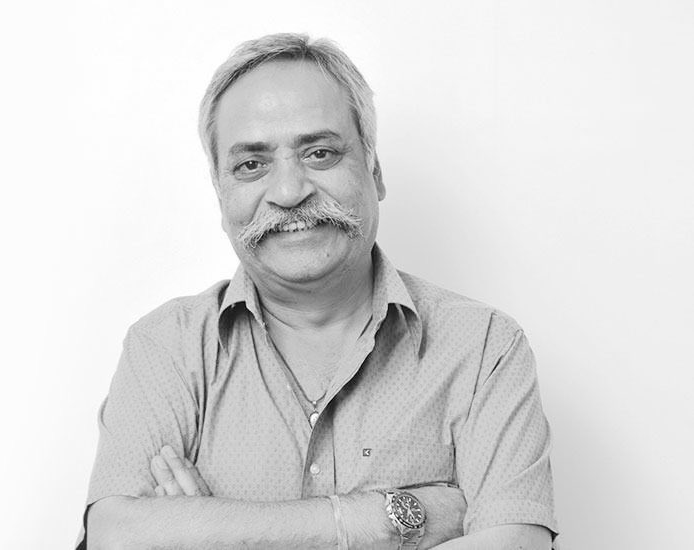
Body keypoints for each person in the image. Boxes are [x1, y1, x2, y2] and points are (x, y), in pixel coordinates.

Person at [78, 33, 558, 549]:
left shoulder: (485, 347)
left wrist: (210, 532)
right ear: (221, 195)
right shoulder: (165, 349)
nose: (289, 192)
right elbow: (118, 539)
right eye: (251, 165)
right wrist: (386, 521)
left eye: (320, 153)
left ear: (374, 172)